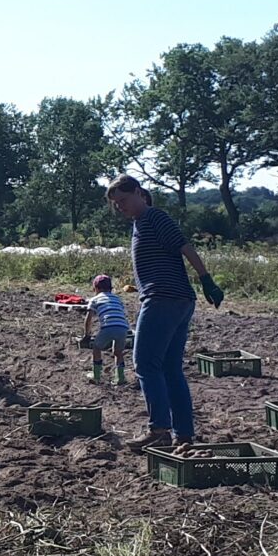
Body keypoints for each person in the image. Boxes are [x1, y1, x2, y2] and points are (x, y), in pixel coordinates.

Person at [103, 176, 221, 447]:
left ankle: (159, 430)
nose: (120, 207)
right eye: (115, 204)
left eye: (123, 200)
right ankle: (184, 434)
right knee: (169, 368)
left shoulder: (154, 216)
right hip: (177, 300)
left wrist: (206, 279)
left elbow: (185, 246)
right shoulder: (140, 223)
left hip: (163, 298)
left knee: (144, 362)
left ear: (138, 192)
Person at [84, 271, 131, 385]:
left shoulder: (95, 299)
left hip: (108, 327)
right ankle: (120, 377)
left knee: (96, 347)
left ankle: (96, 376)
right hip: (123, 327)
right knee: (118, 352)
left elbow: (88, 318)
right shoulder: (117, 299)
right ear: (111, 288)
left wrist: (87, 334)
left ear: (95, 288)